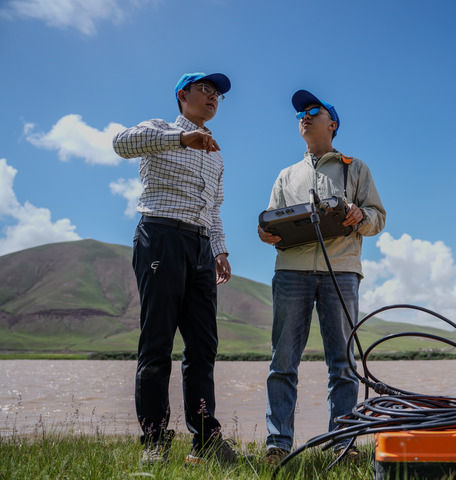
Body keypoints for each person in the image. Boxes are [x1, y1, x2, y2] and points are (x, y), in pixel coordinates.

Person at [113, 72, 237, 466]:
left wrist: (219, 249)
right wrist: (181, 139)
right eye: (205, 90)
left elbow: (214, 208)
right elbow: (121, 143)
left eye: (217, 94)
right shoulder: (160, 129)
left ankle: (205, 440)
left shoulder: (216, 153)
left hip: (200, 246)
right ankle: (155, 439)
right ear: (183, 95)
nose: (213, 98)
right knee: (157, 342)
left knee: (203, 346)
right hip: (160, 236)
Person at [257, 89, 386, 461]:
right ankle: (278, 444)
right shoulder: (286, 175)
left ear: (333, 124)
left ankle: (342, 444)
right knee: (282, 361)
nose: (305, 116)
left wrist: (359, 216)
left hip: (341, 272)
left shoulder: (355, 168)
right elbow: (272, 222)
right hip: (290, 272)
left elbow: (378, 218)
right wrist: (265, 233)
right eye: (301, 113)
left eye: (314, 110)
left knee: (342, 363)